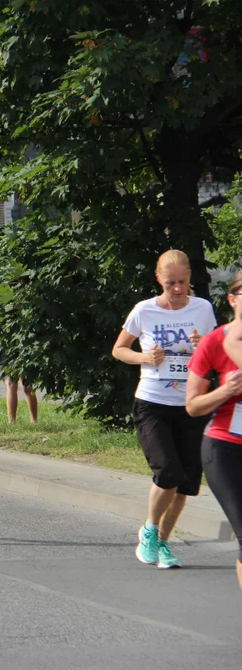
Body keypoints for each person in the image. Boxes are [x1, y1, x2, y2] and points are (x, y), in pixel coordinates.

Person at [112, 250, 216, 569]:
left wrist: (203, 347)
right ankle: (149, 531)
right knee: (167, 472)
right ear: (159, 278)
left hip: (191, 405)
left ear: (189, 279)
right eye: (170, 282)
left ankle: (164, 544)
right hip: (152, 403)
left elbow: (218, 353)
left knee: (184, 482)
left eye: (182, 282)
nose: (176, 288)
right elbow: (119, 350)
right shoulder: (144, 311)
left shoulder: (203, 309)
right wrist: (144, 358)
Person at [185, 269, 242, 590]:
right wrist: (225, 391)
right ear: (233, 299)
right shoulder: (213, 343)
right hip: (224, 449)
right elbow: (192, 405)